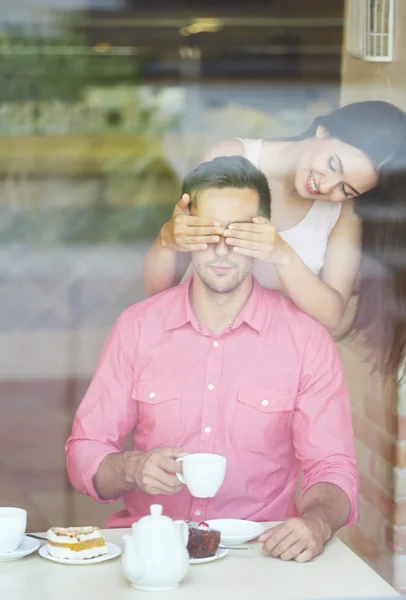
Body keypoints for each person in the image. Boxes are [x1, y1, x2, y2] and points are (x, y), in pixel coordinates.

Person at [66, 156, 358, 563]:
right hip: (150, 551)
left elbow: (332, 465)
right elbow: (85, 449)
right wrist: (132, 467)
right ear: (186, 232)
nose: (222, 248)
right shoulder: (137, 327)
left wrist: (317, 523)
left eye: (238, 234)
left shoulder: (306, 341)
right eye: (207, 232)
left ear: (262, 237)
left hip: (262, 557)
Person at [143, 101, 406, 376]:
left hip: (270, 365)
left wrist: (282, 254)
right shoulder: (233, 158)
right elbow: (157, 292)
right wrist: (167, 240)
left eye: (346, 189)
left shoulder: (342, 212)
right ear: (324, 131)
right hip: (193, 351)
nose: (327, 187)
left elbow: (331, 314)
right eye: (332, 164)